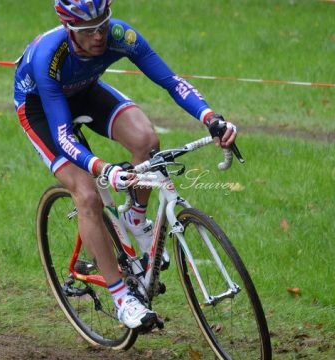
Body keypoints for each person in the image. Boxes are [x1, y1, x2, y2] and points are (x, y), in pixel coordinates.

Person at [13, 0, 237, 331]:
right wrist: (103, 168)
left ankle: (135, 218)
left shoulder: (121, 36)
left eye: (103, 25)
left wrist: (211, 118)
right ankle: (122, 298)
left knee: (147, 140)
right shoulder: (50, 57)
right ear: (69, 30)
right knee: (87, 194)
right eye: (88, 31)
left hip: (85, 90)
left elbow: (171, 81)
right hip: (42, 110)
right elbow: (62, 136)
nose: (99, 36)